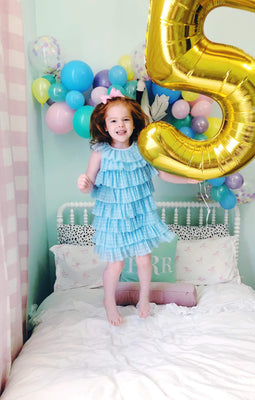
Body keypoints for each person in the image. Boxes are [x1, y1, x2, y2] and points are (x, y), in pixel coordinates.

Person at [77, 89, 199, 326]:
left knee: (144, 259)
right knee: (117, 263)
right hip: (114, 217)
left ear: (134, 123)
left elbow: (163, 174)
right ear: (104, 126)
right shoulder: (100, 153)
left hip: (139, 215)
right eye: (113, 120)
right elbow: (90, 184)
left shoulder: (142, 150)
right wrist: (83, 183)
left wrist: (188, 179)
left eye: (125, 119)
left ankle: (144, 299)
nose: (120, 125)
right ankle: (109, 303)